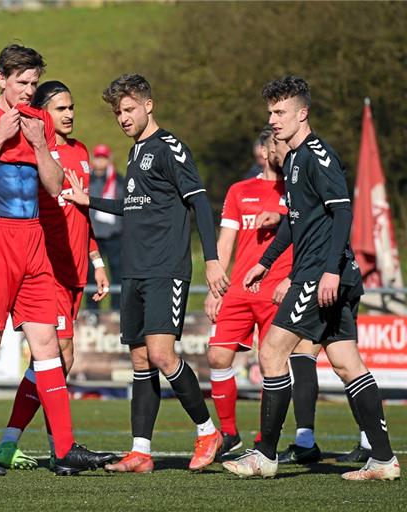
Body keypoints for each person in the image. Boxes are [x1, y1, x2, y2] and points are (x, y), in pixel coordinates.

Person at [223, 76, 399, 481]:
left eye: (280, 112)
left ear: (302, 114)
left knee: (270, 353)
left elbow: (343, 212)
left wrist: (330, 270)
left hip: (321, 274)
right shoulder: (295, 160)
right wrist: (266, 262)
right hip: (323, 272)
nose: (273, 120)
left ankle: (264, 454)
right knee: (345, 362)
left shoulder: (317, 157)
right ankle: (384, 460)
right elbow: (293, 223)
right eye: (270, 112)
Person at [0, 44, 113, 476]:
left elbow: (57, 183)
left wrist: (41, 146)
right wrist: (0, 138)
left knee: (48, 347)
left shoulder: (41, 122)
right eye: (21, 82)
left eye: (33, 83)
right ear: (1, 79)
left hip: (34, 241)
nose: (27, 90)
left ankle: (64, 448)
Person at [63, 73, 229, 473]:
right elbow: (133, 206)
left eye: (129, 109)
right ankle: (140, 451)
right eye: (118, 112)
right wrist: (91, 200)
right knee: (140, 360)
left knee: (160, 353)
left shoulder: (170, 148)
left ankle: (208, 431)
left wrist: (211, 259)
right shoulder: (135, 153)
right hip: (135, 271)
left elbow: (200, 203)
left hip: (165, 268)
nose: (123, 118)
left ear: (148, 105)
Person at [0, 81, 111, 470]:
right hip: (47, 269)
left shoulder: (81, 152)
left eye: (71, 107)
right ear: (43, 113)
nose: (70, 114)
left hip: (75, 270)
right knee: (58, 356)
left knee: (55, 362)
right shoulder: (34, 154)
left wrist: (96, 261)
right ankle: (59, 448)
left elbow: (82, 212)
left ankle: (15, 442)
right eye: (60, 109)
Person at [206, 126, 293, 458]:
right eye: (276, 144)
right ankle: (229, 433)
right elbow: (226, 240)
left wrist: (282, 214)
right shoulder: (240, 190)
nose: (280, 149)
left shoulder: (297, 189)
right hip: (240, 289)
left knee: (271, 362)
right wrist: (217, 286)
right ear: (266, 149)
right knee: (217, 355)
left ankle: (265, 439)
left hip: (277, 290)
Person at [86, 143, 124, 311]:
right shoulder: (86, 179)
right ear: (93, 159)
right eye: (98, 157)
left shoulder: (120, 181)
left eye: (104, 157)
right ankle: (92, 312)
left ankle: (116, 311)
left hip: (115, 237)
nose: (101, 161)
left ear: (109, 159)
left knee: (118, 275)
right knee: (91, 276)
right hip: (93, 237)